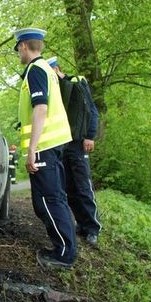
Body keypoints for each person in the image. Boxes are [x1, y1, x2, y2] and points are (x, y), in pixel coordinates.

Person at [14, 28, 77, 268]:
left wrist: (31, 149)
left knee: (47, 201)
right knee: (56, 198)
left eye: (18, 50)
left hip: (44, 146)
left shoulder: (35, 71)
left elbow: (40, 109)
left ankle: (64, 254)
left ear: (23, 47)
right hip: (55, 144)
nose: (18, 54)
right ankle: (65, 248)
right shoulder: (48, 71)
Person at [47, 56, 102, 246]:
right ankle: (81, 223)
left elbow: (92, 111)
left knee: (83, 187)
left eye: (52, 71)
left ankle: (92, 228)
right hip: (63, 144)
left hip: (79, 142)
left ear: (58, 69)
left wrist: (90, 135)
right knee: (69, 187)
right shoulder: (54, 92)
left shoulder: (77, 83)